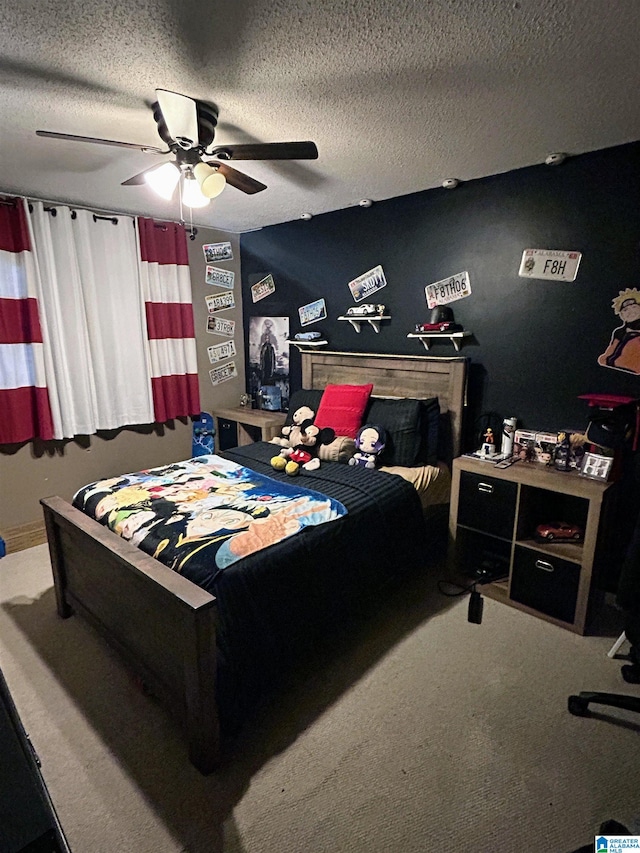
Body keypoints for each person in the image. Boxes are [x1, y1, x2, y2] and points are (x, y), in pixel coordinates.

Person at [598, 288, 640, 374]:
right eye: (625, 310)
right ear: (621, 315)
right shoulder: (619, 333)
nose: (631, 312)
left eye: (634, 307)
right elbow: (606, 355)